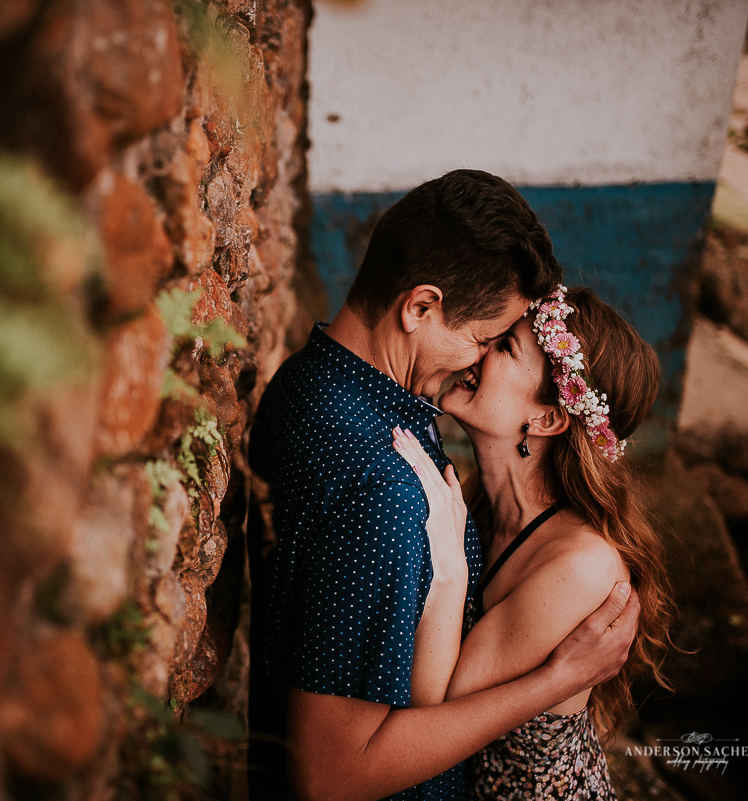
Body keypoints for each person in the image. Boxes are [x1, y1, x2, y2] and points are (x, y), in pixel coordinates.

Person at [247, 169, 641, 801]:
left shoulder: (307, 385)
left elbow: (427, 688)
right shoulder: (391, 488)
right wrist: (555, 675)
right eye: (484, 339)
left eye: (498, 348)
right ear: (421, 307)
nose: (477, 360)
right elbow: (334, 773)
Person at [390, 285, 673, 799]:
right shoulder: (477, 498)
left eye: (505, 347)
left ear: (546, 419)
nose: (479, 347)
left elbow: (433, 713)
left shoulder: (581, 567)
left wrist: (450, 569)